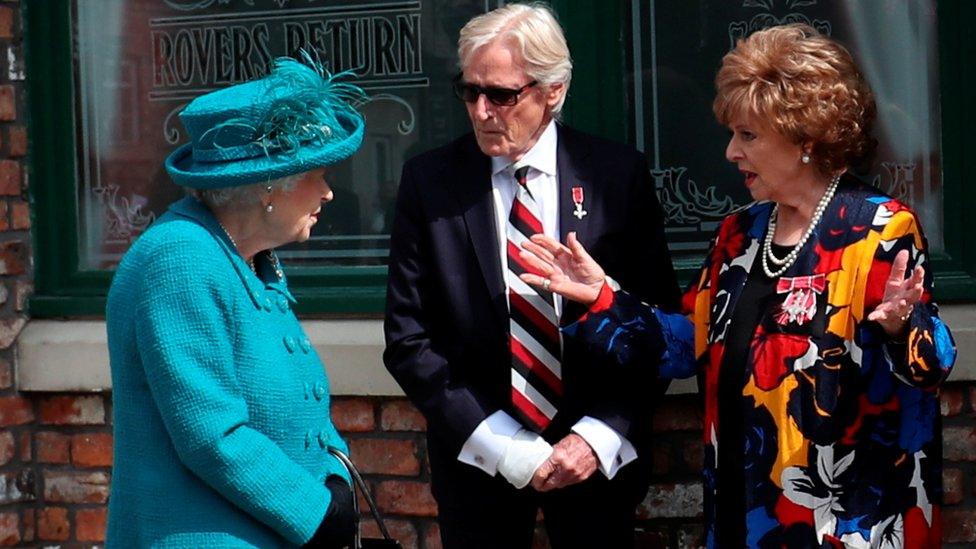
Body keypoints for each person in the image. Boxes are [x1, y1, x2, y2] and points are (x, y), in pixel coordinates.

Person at [518, 24, 956, 548]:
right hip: (742, 516)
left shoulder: (880, 229)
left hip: (845, 523)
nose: (730, 152)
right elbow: (685, 346)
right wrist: (601, 298)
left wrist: (902, 326)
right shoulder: (740, 233)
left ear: (804, 140)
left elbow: (929, 368)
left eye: (747, 136)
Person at [383, 4, 680, 548]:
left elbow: (659, 326)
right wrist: (504, 446)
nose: (479, 111)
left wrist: (597, 437)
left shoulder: (616, 176)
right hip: (480, 463)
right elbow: (408, 339)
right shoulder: (430, 182)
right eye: (468, 91)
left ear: (554, 91)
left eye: (500, 94)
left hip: (596, 466)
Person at [105, 54, 367, 548]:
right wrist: (318, 512)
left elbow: (298, 400)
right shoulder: (179, 259)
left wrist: (336, 479)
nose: (329, 193)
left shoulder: (247, 256)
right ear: (271, 183)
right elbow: (211, 435)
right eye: (319, 175)